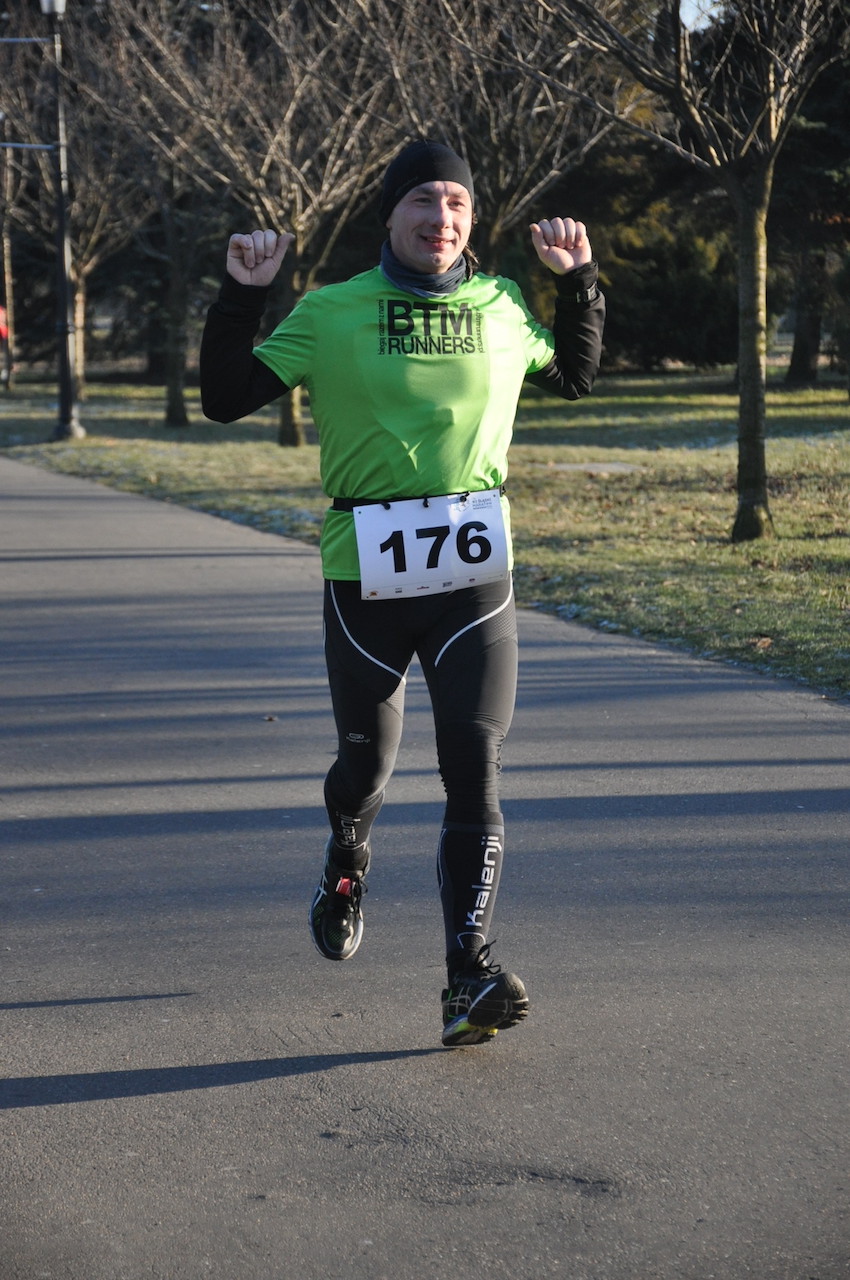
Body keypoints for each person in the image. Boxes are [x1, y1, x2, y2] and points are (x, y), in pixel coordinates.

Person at [200, 140, 605, 1048]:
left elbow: (576, 376)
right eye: (424, 199)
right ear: (388, 214)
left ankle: (468, 972)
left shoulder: (502, 305)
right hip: (366, 578)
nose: (442, 217)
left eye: (458, 201)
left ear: (473, 219)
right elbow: (224, 397)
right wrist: (240, 296)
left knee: (475, 760)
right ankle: (348, 850)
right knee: (367, 770)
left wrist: (579, 283)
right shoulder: (331, 311)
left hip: (474, 577)